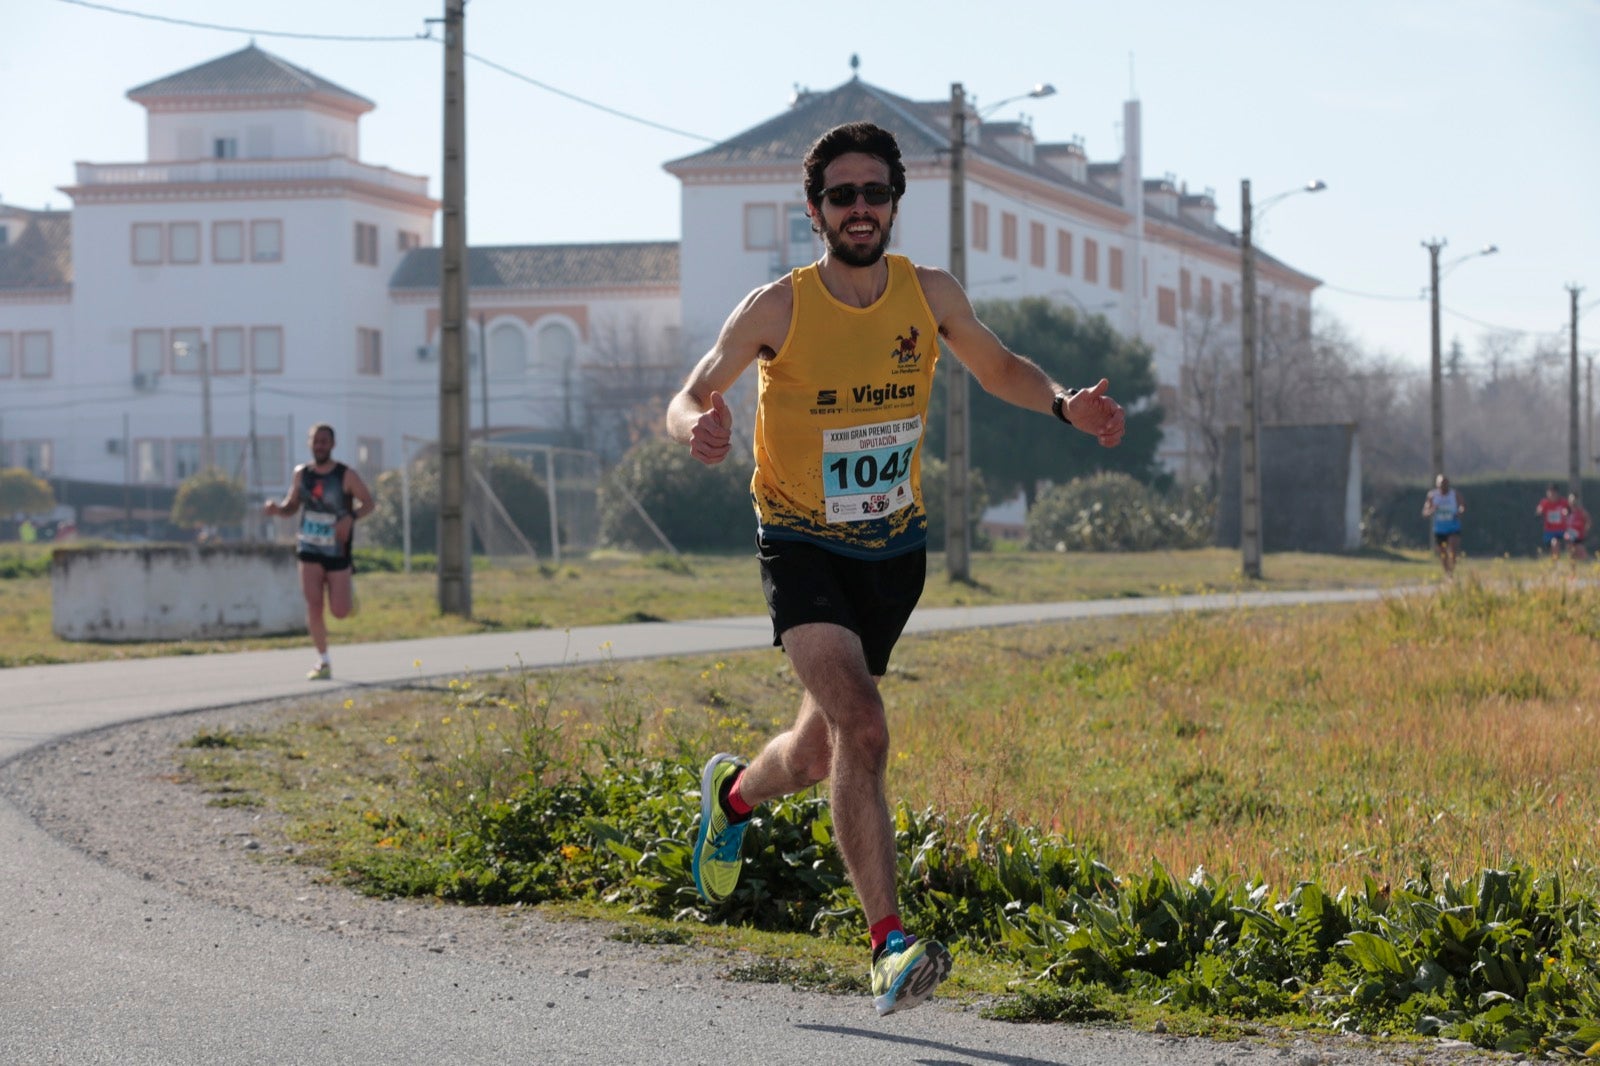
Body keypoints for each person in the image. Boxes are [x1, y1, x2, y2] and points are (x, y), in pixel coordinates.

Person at [665, 121, 1126, 1018]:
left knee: (815, 750)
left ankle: (730, 798)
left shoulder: (929, 293)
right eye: (844, 195)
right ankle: (888, 946)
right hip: (799, 543)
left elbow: (996, 367)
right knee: (864, 727)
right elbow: (689, 395)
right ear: (816, 211)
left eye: (876, 193)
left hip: (892, 553)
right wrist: (700, 429)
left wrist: (1067, 405)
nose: (862, 208)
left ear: (895, 203)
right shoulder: (779, 307)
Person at [264, 424, 375, 680]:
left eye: (324, 441)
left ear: (332, 445)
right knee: (314, 605)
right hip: (309, 547)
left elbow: (368, 503)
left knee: (339, 611)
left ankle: (347, 590)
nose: (319, 445)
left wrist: (350, 517)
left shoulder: (345, 475)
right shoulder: (302, 474)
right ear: (310, 444)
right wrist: (277, 509)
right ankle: (323, 660)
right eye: (315, 441)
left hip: (337, 551)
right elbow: (292, 506)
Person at [1420, 474, 1464, 576]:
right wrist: (1431, 510)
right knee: (1443, 553)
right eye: (1441, 484)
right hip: (1440, 529)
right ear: (1437, 485)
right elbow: (1425, 512)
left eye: (1445, 484)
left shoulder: (1455, 494)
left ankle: (1451, 571)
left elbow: (1462, 506)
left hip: (1453, 526)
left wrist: (1460, 512)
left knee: (1452, 548)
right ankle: (1447, 573)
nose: (1444, 487)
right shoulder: (1432, 495)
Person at [1536, 483, 1569, 560]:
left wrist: (1567, 512)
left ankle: (1573, 561)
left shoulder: (1563, 502)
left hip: (1562, 531)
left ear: (1557, 493)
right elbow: (1539, 511)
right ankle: (1555, 564)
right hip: (1549, 532)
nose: (1552, 495)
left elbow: (1570, 511)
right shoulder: (1544, 503)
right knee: (1555, 543)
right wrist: (1539, 511)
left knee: (1572, 541)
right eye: (1550, 493)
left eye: (1554, 493)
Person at [1565, 493, 1590, 562]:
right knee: (1571, 554)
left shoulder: (1582, 512)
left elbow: (1588, 522)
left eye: (1574, 500)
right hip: (1569, 536)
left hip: (1579, 536)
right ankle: (1573, 570)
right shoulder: (1565, 512)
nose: (1573, 502)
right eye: (1571, 500)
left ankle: (1588, 564)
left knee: (1581, 551)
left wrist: (1585, 530)